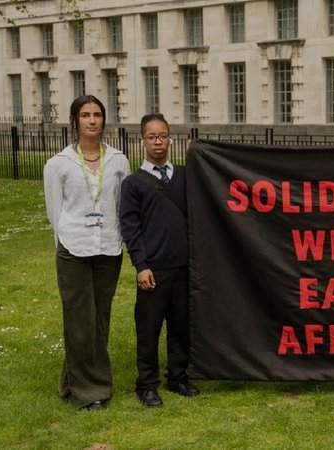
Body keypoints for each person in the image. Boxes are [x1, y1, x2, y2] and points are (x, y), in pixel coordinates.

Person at [43, 95, 130, 410]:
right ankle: (92, 391)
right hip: (74, 248)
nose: (92, 120)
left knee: (98, 319)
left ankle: (70, 382)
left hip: (108, 246)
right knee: (79, 319)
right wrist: (64, 240)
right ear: (75, 120)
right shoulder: (59, 164)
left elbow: (124, 205)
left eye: (97, 114)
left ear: (104, 120)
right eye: (85, 115)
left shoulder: (118, 160)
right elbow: (55, 211)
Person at [120, 113, 199, 407]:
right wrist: (141, 266)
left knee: (180, 326)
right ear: (143, 141)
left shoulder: (182, 177)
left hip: (183, 266)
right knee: (149, 329)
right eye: (152, 137)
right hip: (153, 269)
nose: (158, 142)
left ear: (170, 139)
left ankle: (178, 376)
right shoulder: (133, 184)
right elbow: (131, 228)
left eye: (163, 136)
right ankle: (147, 384)